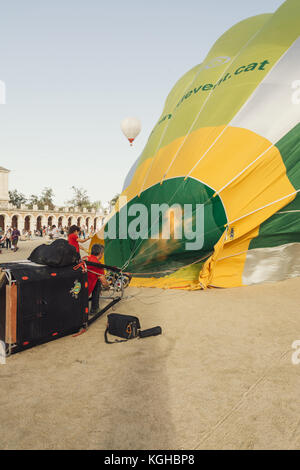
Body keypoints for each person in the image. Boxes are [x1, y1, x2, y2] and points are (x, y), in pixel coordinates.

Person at [87, 244, 109, 314]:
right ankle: (95, 309)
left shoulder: (86, 258)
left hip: (79, 285)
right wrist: (107, 286)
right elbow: (104, 282)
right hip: (87, 288)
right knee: (98, 282)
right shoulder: (98, 264)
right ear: (100, 254)